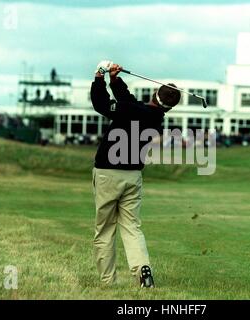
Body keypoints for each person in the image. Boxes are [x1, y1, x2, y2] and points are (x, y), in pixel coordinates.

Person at [89, 60, 181, 288]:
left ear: (153, 92)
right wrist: (115, 79)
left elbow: (101, 104)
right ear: (169, 107)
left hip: (108, 174)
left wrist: (99, 78)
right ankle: (143, 271)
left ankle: (108, 282)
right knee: (132, 228)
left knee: (105, 229)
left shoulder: (133, 111)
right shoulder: (156, 118)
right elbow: (128, 102)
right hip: (133, 177)